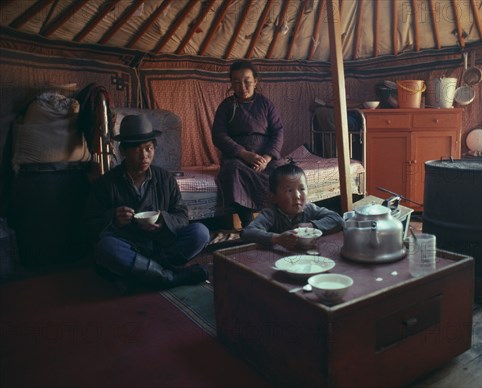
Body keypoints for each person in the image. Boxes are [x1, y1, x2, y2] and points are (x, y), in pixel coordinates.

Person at [84, 114, 211, 291]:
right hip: (129, 245)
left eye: (149, 148)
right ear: (123, 151)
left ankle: (140, 275)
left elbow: (182, 215)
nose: (144, 155)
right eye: (137, 149)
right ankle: (168, 276)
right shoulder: (106, 184)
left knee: (201, 233)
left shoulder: (165, 179)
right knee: (106, 248)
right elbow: (89, 224)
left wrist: (163, 221)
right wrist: (113, 218)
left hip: (161, 245)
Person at [212, 59, 284, 228]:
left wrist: (265, 158)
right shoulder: (227, 106)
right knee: (232, 170)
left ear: (255, 81)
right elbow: (219, 135)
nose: (242, 86)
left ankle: (275, 218)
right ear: (231, 83)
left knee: (281, 173)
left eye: (247, 82)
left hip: (264, 157)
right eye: (236, 82)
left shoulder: (266, 104)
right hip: (238, 158)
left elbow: (278, 132)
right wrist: (245, 154)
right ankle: (248, 222)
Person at [241, 163, 343, 250]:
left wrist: (311, 225)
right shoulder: (271, 213)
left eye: (302, 189)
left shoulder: (309, 209)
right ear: (273, 197)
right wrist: (278, 239)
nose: (297, 196)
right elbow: (247, 232)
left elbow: (337, 219)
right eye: (289, 190)